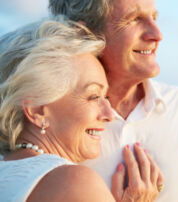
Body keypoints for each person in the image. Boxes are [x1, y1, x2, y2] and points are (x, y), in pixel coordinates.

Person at [49, 0, 178, 201]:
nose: (157, 35)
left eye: (154, 17)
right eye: (134, 19)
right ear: (84, 33)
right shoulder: (50, 119)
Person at [0, 17, 163, 202]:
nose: (110, 115)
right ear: (36, 109)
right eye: (93, 96)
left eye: (106, 98)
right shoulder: (74, 183)